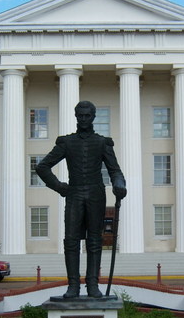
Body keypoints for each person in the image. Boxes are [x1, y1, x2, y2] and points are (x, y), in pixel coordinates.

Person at [36, 101, 127, 298]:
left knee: (95, 240)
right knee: (71, 240)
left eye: (87, 116)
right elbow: (42, 167)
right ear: (76, 116)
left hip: (96, 194)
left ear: (94, 117)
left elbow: (115, 170)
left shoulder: (102, 142)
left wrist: (120, 184)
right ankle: (73, 286)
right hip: (74, 193)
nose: (83, 119)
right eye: (80, 116)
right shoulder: (67, 142)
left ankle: (93, 285)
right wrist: (60, 187)